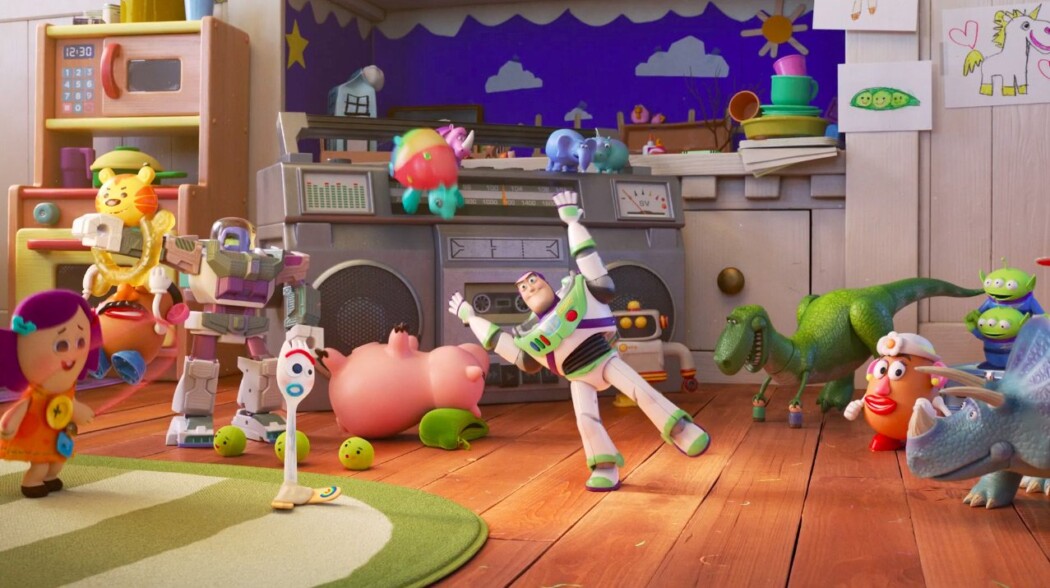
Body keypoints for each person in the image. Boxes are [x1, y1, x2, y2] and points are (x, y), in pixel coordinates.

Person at [449, 191, 710, 491]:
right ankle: (604, 465)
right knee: (586, 419)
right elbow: (510, 350)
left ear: (547, 282)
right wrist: (471, 318)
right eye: (522, 288)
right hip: (577, 377)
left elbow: (593, 267)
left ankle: (680, 428)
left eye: (532, 281)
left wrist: (573, 223)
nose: (529, 288)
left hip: (604, 359)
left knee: (640, 390)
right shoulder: (529, 336)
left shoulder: (582, 290)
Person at [0, 290, 102, 497]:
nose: (73, 353)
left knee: (57, 462)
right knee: (40, 464)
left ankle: (49, 478)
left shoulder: (66, 389)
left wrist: (79, 411)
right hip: (36, 435)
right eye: (61, 345)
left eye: (81, 342)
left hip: (58, 436)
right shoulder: (36, 394)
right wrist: (8, 424)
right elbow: (22, 406)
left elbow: (69, 403)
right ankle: (32, 481)